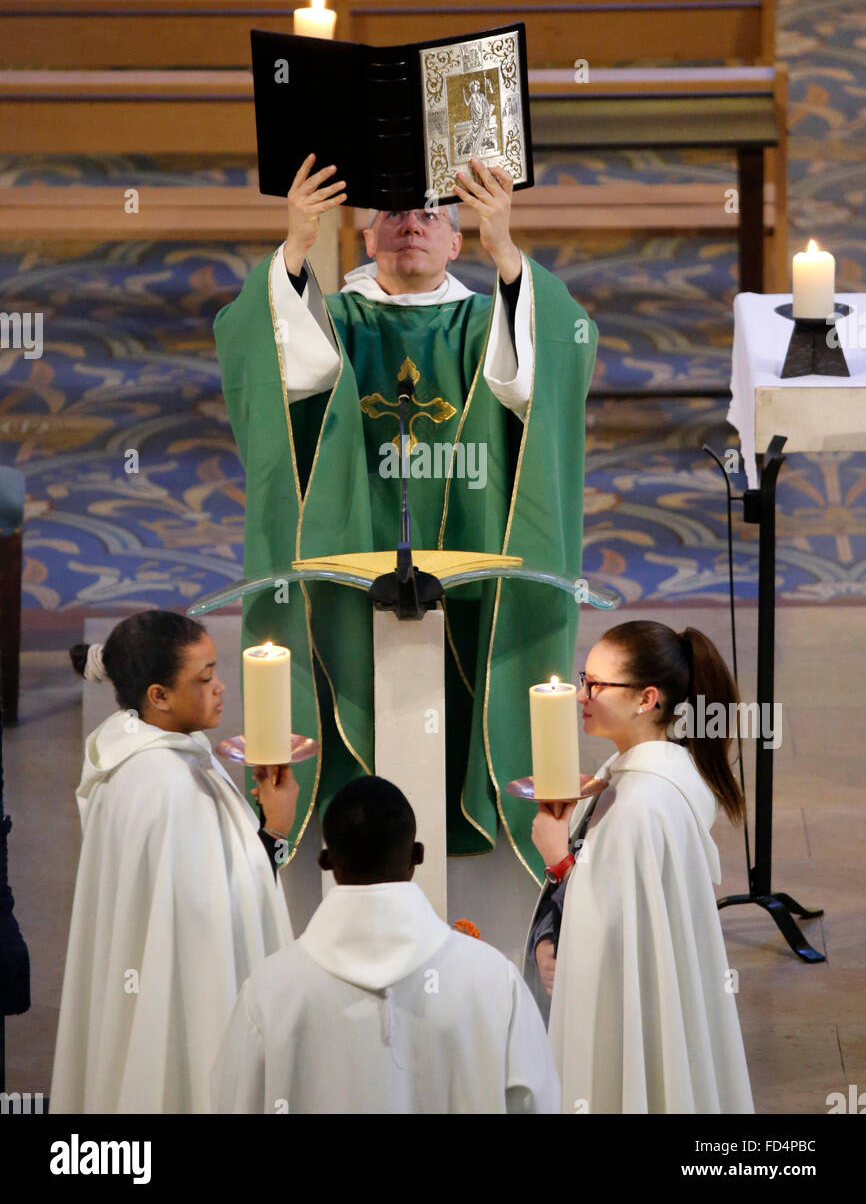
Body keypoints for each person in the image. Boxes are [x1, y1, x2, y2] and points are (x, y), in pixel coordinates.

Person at [213, 153, 598, 885]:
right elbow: (259, 351)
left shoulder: (491, 317)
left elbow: (555, 362)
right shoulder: (334, 318)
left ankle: (466, 805)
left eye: (430, 216)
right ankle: (354, 820)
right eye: (392, 214)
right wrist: (293, 247)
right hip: (350, 550)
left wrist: (508, 253)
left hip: (473, 549)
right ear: (365, 238)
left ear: (457, 241)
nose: (411, 225)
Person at [50, 610, 296, 1113]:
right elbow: (215, 924)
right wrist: (274, 830)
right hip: (181, 997)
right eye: (204, 678)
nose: (220, 687)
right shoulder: (167, 785)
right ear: (158, 696)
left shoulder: (140, 745)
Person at [211, 776, 560, 1114]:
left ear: (326, 861)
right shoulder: (494, 982)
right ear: (417, 856)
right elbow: (539, 1103)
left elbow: (232, 1101)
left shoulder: (270, 991)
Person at [527, 621, 754, 1114]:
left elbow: (613, 936)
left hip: (627, 1015)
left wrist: (559, 859)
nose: (581, 695)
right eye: (583, 679)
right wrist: (548, 939)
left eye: (596, 685)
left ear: (646, 699)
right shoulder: (634, 777)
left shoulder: (642, 804)